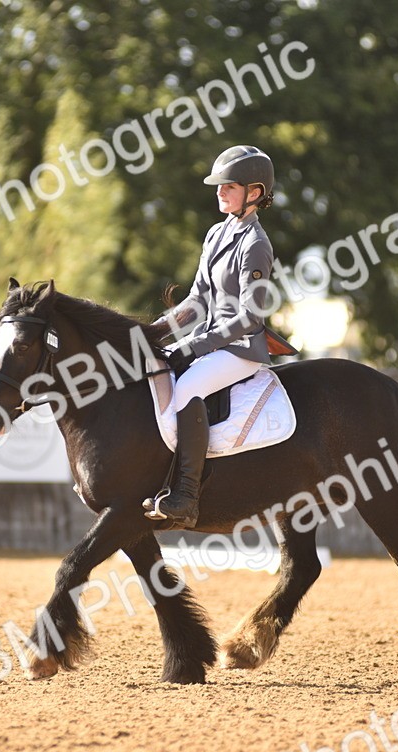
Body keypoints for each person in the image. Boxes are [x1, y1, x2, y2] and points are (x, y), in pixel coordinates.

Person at [146, 144, 276, 527]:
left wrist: (192, 346)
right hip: (211, 342)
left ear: (254, 192)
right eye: (219, 185)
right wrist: (153, 334)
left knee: (188, 388)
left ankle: (186, 496)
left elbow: (250, 316)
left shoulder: (256, 245)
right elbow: (197, 299)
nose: (219, 191)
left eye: (229, 186)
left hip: (240, 349)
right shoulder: (217, 233)